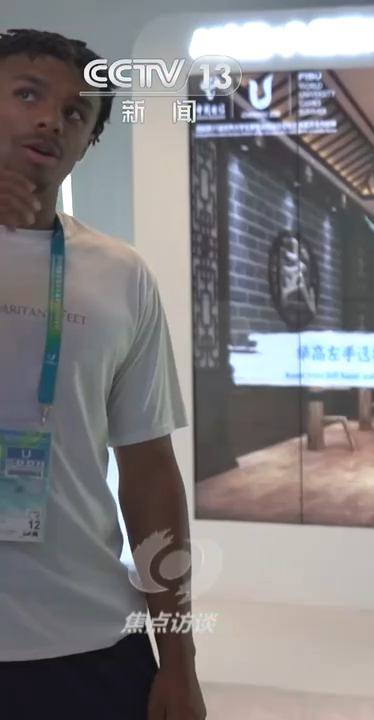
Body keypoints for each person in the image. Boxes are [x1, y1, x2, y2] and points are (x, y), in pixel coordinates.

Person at [0, 29, 205, 720]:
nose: (50, 120)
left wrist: (178, 658)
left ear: (88, 141)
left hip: (90, 640)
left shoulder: (120, 274)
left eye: (76, 111)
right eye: (28, 94)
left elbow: (149, 474)